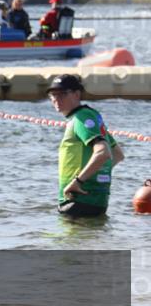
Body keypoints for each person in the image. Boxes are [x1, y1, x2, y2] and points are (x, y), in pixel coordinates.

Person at [46, 74, 125, 218]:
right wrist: (94, 177)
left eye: (63, 94)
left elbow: (103, 153)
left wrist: (79, 181)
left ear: (77, 94)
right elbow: (117, 154)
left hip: (77, 201)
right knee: (89, 240)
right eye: (53, 94)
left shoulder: (82, 118)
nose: (56, 98)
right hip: (95, 202)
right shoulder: (91, 118)